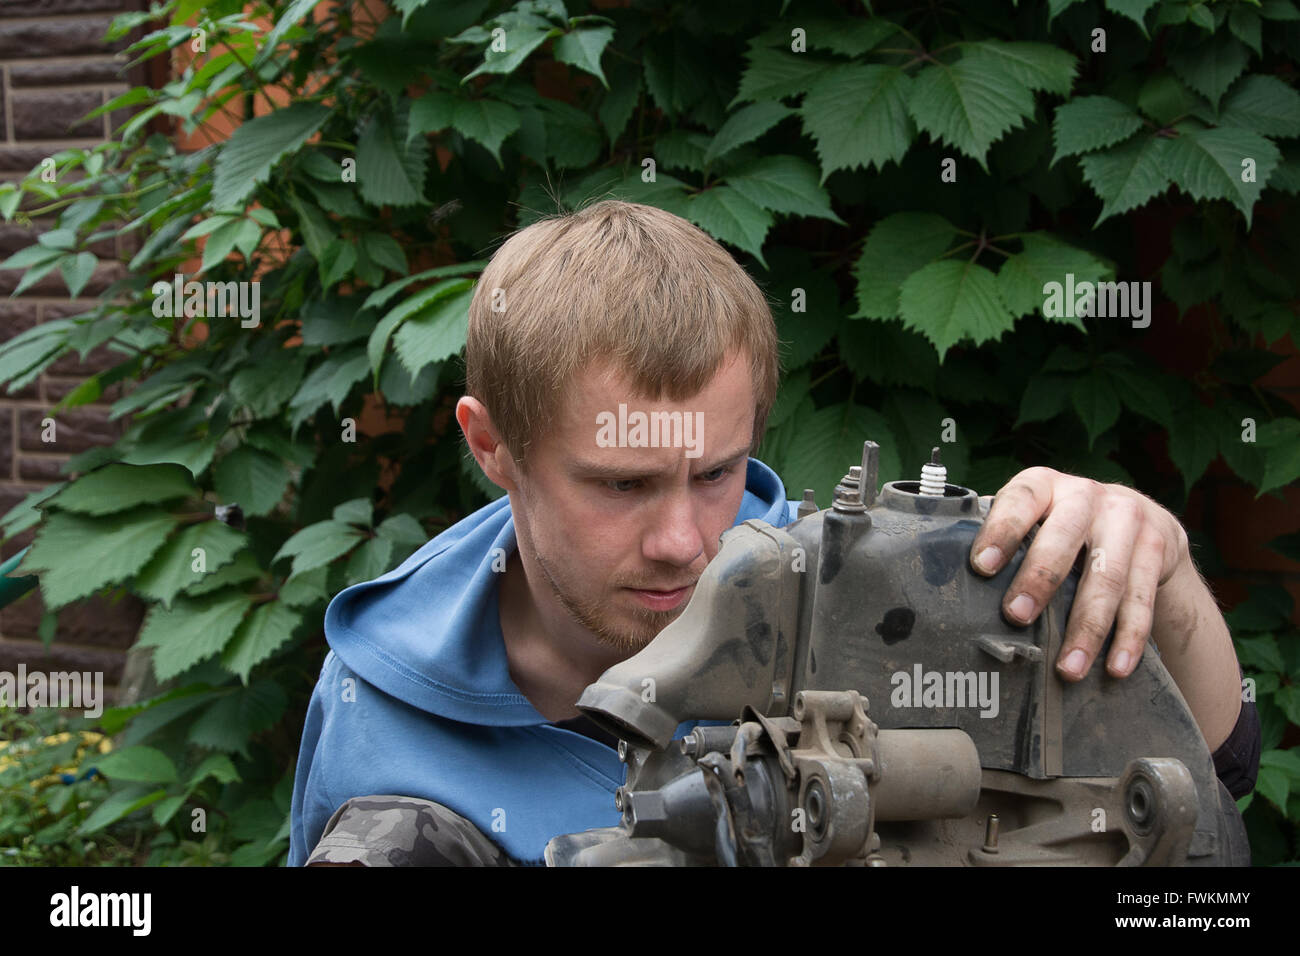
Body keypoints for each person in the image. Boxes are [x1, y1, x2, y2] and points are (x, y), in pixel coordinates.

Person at [287, 199, 1259, 867]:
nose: (680, 538)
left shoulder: (869, 604)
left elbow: (1217, 769)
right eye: (619, 482)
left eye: (714, 473)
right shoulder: (375, 700)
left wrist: (1161, 573)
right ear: (492, 444)